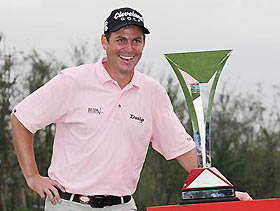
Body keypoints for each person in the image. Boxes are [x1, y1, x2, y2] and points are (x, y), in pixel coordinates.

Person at [11, 7, 251, 211]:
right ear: (105, 42)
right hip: (69, 204)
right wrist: (32, 177)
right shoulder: (73, 81)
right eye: (121, 39)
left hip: (124, 206)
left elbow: (182, 148)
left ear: (144, 45)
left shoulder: (152, 92)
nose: (129, 48)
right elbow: (21, 119)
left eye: (136, 40)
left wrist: (222, 191)